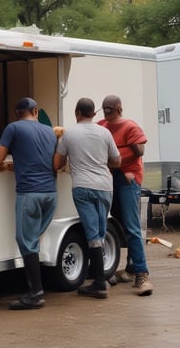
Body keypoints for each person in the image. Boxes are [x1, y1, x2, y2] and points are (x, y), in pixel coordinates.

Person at [0, 97, 57, 310]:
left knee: (26, 241)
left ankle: (36, 294)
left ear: (17, 113)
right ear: (36, 111)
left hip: (30, 193)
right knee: (33, 240)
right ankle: (35, 288)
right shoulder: (50, 131)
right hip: (50, 193)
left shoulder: (13, 128)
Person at [53, 98, 121, 299]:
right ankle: (100, 281)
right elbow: (117, 161)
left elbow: (57, 163)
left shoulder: (69, 133)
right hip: (105, 187)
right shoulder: (105, 132)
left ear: (77, 113)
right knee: (100, 232)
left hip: (82, 187)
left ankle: (99, 283)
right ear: (94, 113)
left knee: (92, 235)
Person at [98, 94, 154, 296]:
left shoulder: (130, 126)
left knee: (131, 226)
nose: (107, 113)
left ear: (118, 109)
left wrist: (118, 163)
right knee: (119, 223)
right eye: (105, 109)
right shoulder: (101, 125)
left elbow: (139, 151)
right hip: (109, 178)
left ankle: (142, 274)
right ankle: (130, 269)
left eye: (109, 109)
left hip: (128, 179)